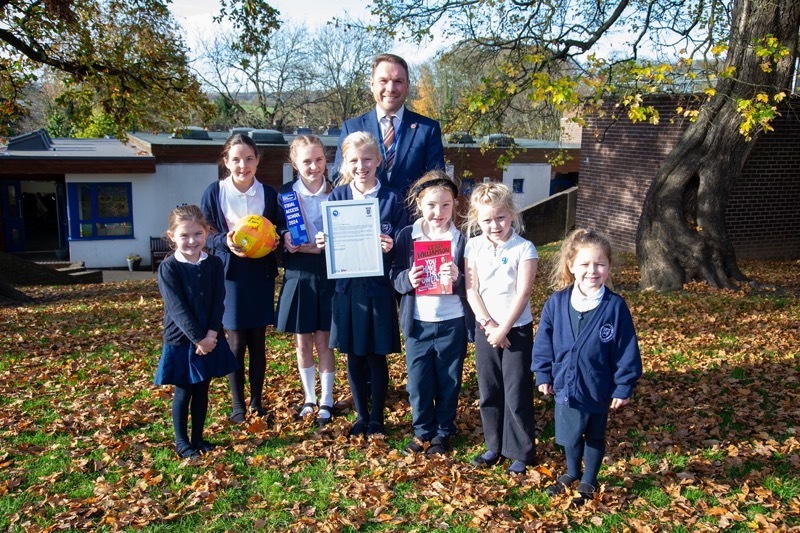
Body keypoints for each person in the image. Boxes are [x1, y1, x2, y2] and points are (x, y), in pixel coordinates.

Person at [532, 229, 642, 506]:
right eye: (584, 264)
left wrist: (623, 385)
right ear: (571, 266)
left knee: (593, 434)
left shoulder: (615, 306)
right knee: (569, 434)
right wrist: (543, 372)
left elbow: (626, 348)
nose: (592, 271)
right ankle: (571, 471)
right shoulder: (557, 303)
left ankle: (589, 479)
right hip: (566, 383)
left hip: (598, 384)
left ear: (609, 267)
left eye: (600, 264)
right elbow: (544, 341)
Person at [316, 131, 407, 438]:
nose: (361, 165)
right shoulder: (338, 197)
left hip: (379, 289)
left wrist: (391, 245)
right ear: (345, 162)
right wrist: (324, 241)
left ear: (378, 161)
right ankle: (360, 415)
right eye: (353, 160)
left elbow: (402, 245)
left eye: (367, 158)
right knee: (354, 355)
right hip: (347, 290)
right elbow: (331, 241)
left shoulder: (392, 198)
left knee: (375, 355)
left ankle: (378, 417)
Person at [390, 170, 474, 455]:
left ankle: (443, 432)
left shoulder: (462, 239)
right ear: (419, 204)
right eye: (431, 205)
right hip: (418, 323)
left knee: (449, 380)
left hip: (452, 322)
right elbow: (395, 274)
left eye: (446, 205)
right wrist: (407, 280)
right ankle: (422, 431)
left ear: (455, 205)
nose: (438, 212)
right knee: (418, 382)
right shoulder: (407, 235)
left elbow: (471, 285)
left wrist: (458, 276)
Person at [200, 134, 282, 423]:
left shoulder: (269, 194)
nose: (243, 165)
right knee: (235, 342)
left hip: (259, 275)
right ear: (226, 162)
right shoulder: (215, 192)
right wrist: (226, 242)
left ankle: (257, 403)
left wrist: (277, 241)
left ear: (258, 160)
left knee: (258, 341)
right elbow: (206, 234)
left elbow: (280, 232)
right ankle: (237, 406)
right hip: (229, 276)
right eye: (236, 159)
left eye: (249, 158)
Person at [464, 182, 538, 475]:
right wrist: (489, 325)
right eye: (486, 220)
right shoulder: (473, 246)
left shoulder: (524, 248)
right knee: (490, 389)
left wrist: (503, 328)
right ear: (477, 220)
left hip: (516, 329)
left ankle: (521, 449)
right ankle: (494, 445)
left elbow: (523, 293)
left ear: (512, 215)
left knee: (516, 391)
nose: (494, 225)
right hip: (486, 330)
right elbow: (472, 290)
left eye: (500, 218)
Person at [154, 204, 238, 459]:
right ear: (172, 236)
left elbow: (218, 300)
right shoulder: (169, 268)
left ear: (207, 232)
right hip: (182, 340)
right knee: (184, 391)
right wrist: (198, 338)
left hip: (210, 338)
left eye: (197, 235)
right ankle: (182, 442)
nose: (192, 241)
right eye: (184, 235)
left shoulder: (213, 263)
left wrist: (212, 335)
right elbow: (177, 308)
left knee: (203, 388)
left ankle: (198, 438)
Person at [276, 135, 337, 427]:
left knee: (324, 340)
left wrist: (320, 247)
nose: (313, 167)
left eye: (319, 160)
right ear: (294, 164)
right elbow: (275, 231)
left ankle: (327, 398)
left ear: (326, 160)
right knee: (302, 343)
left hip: (327, 272)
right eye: (306, 161)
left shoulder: (338, 191)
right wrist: (283, 237)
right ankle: (309, 397)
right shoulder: (285, 193)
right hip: (298, 273)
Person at [332, 53, 445, 200]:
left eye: (398, 81)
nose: (390, 88)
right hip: (363, 217)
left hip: (412, 219)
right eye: (383, 81)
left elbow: (435, 182)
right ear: (372, 84)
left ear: (407, 85)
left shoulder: (427, 129)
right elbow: (339, 178)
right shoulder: (352, 127)